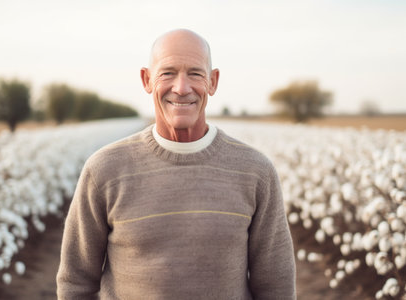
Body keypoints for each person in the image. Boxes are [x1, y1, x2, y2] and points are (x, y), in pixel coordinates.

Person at [56, 29, 296, 299]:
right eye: (167, 73)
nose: (181, 88)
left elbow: (276, 287)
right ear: (147, 80)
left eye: (195, 73)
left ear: (213, 82)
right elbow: (75, 283)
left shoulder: (255, 172)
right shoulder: (104, 171)